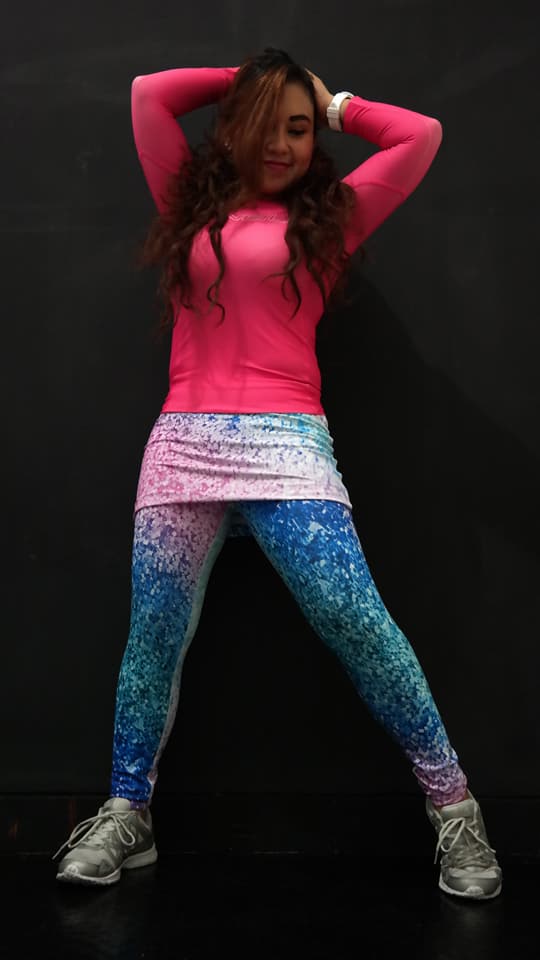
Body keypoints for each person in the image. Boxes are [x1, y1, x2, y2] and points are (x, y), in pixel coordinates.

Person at [53, 47, 502, 899]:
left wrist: (333, 105)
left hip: (287, 442)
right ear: (235, 129)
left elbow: (420, 136)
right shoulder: (186, 206)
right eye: (268, 125)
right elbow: (150, 95)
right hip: (183, 443)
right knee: (154, 635)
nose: (282, 143)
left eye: (298, 130)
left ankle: (456, 811)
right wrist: (252, 82)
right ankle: (127, 812)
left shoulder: (330, 221)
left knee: (356, 621)